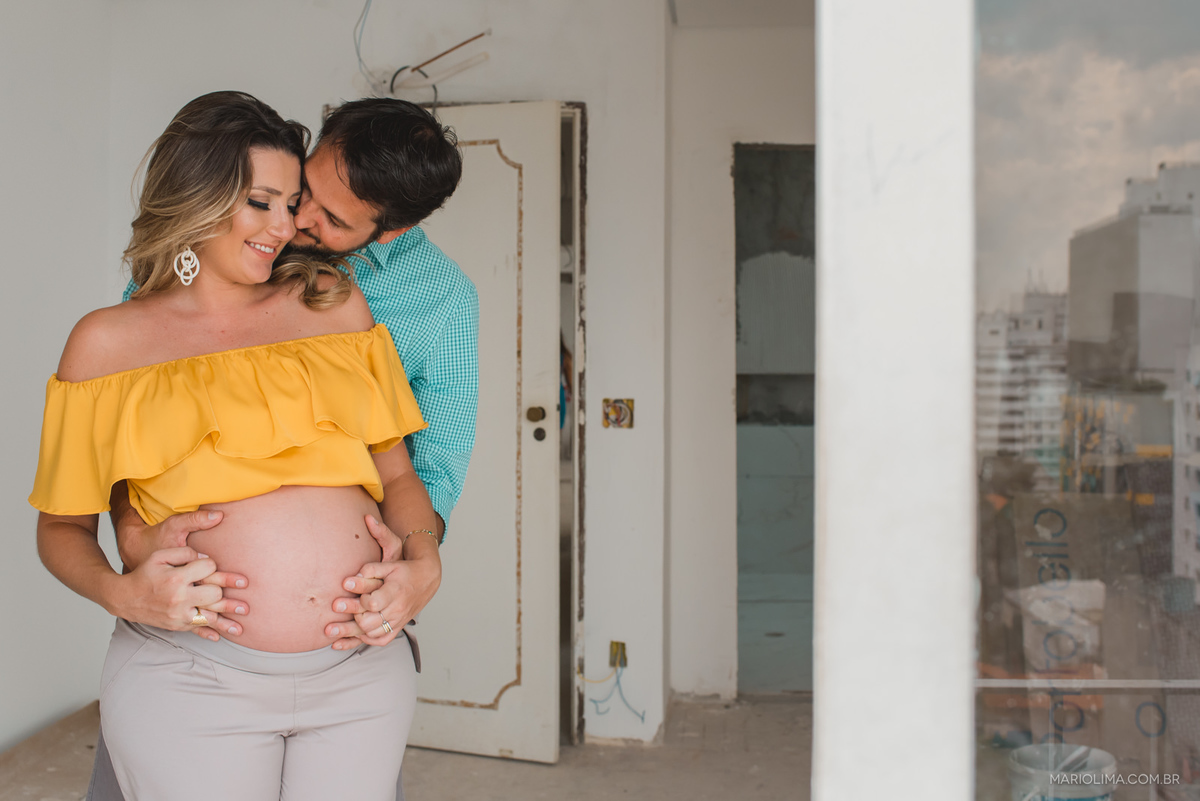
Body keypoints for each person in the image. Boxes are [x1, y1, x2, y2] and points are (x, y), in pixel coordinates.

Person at [32, 91, 460, 801]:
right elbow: (60, 528)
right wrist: (123, 590)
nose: (285, 226)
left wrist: (425, 562)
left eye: (291, 204)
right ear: (197, 196)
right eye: (261, 202)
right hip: (192, 675)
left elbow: (398, 473)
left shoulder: (332, 303)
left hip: (360, 671)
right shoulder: (106, 341)